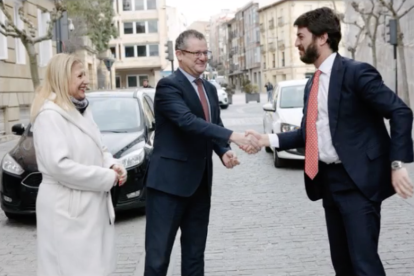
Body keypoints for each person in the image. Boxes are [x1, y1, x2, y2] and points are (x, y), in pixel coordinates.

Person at [243, 7, 413, 276]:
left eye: (301, 36)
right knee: (342, 264)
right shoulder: (313, 83)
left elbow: (400, 111)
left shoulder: (357, 73)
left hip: (358, 182)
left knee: (364, 264)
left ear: (322, 38)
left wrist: (397, 163)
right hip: (329, 182)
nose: (296, 43)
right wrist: (266, 138)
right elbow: (307, 133)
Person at [144, 29, 259, 276]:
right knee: (158, 259)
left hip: (200, 185)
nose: (202, 57)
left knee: (195, 256)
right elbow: (188, 121)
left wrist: (223, 150)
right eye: (196, 52)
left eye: (205, 52)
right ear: (179, 55)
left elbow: (212, 123)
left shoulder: (209, 88)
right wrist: (235, 136)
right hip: (168, 187)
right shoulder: (168, 87)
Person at [30, 53, 127, 276]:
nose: (86, 80)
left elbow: (98, 148)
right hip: (66, 210)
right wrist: (106, 178)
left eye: (85, 74)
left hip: (89, 209)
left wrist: (113, 165)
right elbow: (59, 166)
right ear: (63, 78)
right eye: (80, 75)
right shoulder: (50, 115)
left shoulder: (80, 109)